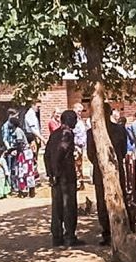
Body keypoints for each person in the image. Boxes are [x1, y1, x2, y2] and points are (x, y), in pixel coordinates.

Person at [87, 103, 128, 246]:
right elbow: (123, 152)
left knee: (104, 201)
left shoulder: (92, 132)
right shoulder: (118, 130)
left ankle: (108, 233)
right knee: (118, 198)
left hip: (103, 171)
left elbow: (91, 155)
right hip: (112, 170)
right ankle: (117, 231)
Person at [45, 110, 82, 247]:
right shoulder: (67, 134)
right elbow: (61, 151)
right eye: (75, 119)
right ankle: (69, 237)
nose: (76, 122)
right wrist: (57, 172)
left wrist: (51, 173)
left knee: (57, 206)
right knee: (69, 206)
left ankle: (57, 237)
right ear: (68, 120)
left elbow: (47, 155)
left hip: (56, 176)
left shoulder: (54, 134)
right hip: (66, 176)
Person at [10, 117, 38, 197]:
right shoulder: (15, 131)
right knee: (22, 171)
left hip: (25, 154)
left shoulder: (18, 131)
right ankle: (23, 190)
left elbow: (20, 144)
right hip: (23, 153)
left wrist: (14, 151)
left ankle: (30, 190)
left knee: (27, 171)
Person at [72, 103, 88, 190]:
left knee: (79, 165)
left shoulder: (80, 120)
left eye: (81, 111)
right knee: (76, 165)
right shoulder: (73, 121)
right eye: (78, 111)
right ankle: (77, 183)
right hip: (75, 146)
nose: (79, 113)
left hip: (81, 146)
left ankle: (81, 183)